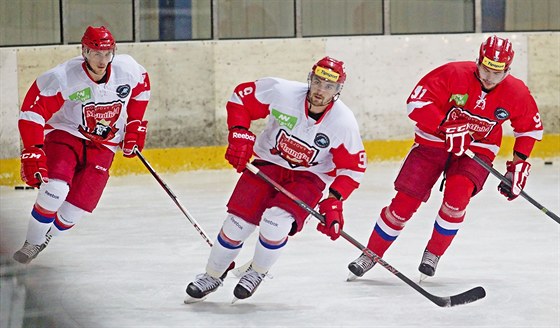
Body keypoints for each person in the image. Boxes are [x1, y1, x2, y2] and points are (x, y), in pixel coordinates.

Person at [347, 35, 543, 280]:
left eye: (497, 72)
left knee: (456, 199)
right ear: (478, 60)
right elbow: (416, 103)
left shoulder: (516, 92)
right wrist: (445, 126)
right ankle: (371, 253)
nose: (489, 77)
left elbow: (529, 129)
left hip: (478, 148)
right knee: (404, 203)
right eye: (485, 68)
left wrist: (519, 164)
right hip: (433, 143)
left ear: (507, 70)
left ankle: (433, 253)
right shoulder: (453, 73)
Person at [185, 56, 367, 303]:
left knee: (275, 223)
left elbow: (352, 167)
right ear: (310, 79)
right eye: (317, 81)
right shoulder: (283, 93)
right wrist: (239, 132)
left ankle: (257, 272)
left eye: (329, 86)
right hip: (267, 165)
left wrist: (335, 200)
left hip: (309, 178)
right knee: (236, 224)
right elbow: (241, 97)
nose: (320, 90)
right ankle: (212, 275)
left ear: (338, 90)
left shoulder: (343, 123)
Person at [13, 26, 151, 264]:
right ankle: (31, 242)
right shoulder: (63, 77)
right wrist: (33, 150)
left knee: (74, 210)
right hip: (67, 133)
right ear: (84, 51)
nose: (103, 59)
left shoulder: (128, 70)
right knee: (56, 189)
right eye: (97, 53)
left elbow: (142, 88)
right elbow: (32, 112)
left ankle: (46, 237)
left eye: (108, 53)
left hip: (105, 144)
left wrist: (135, 123)